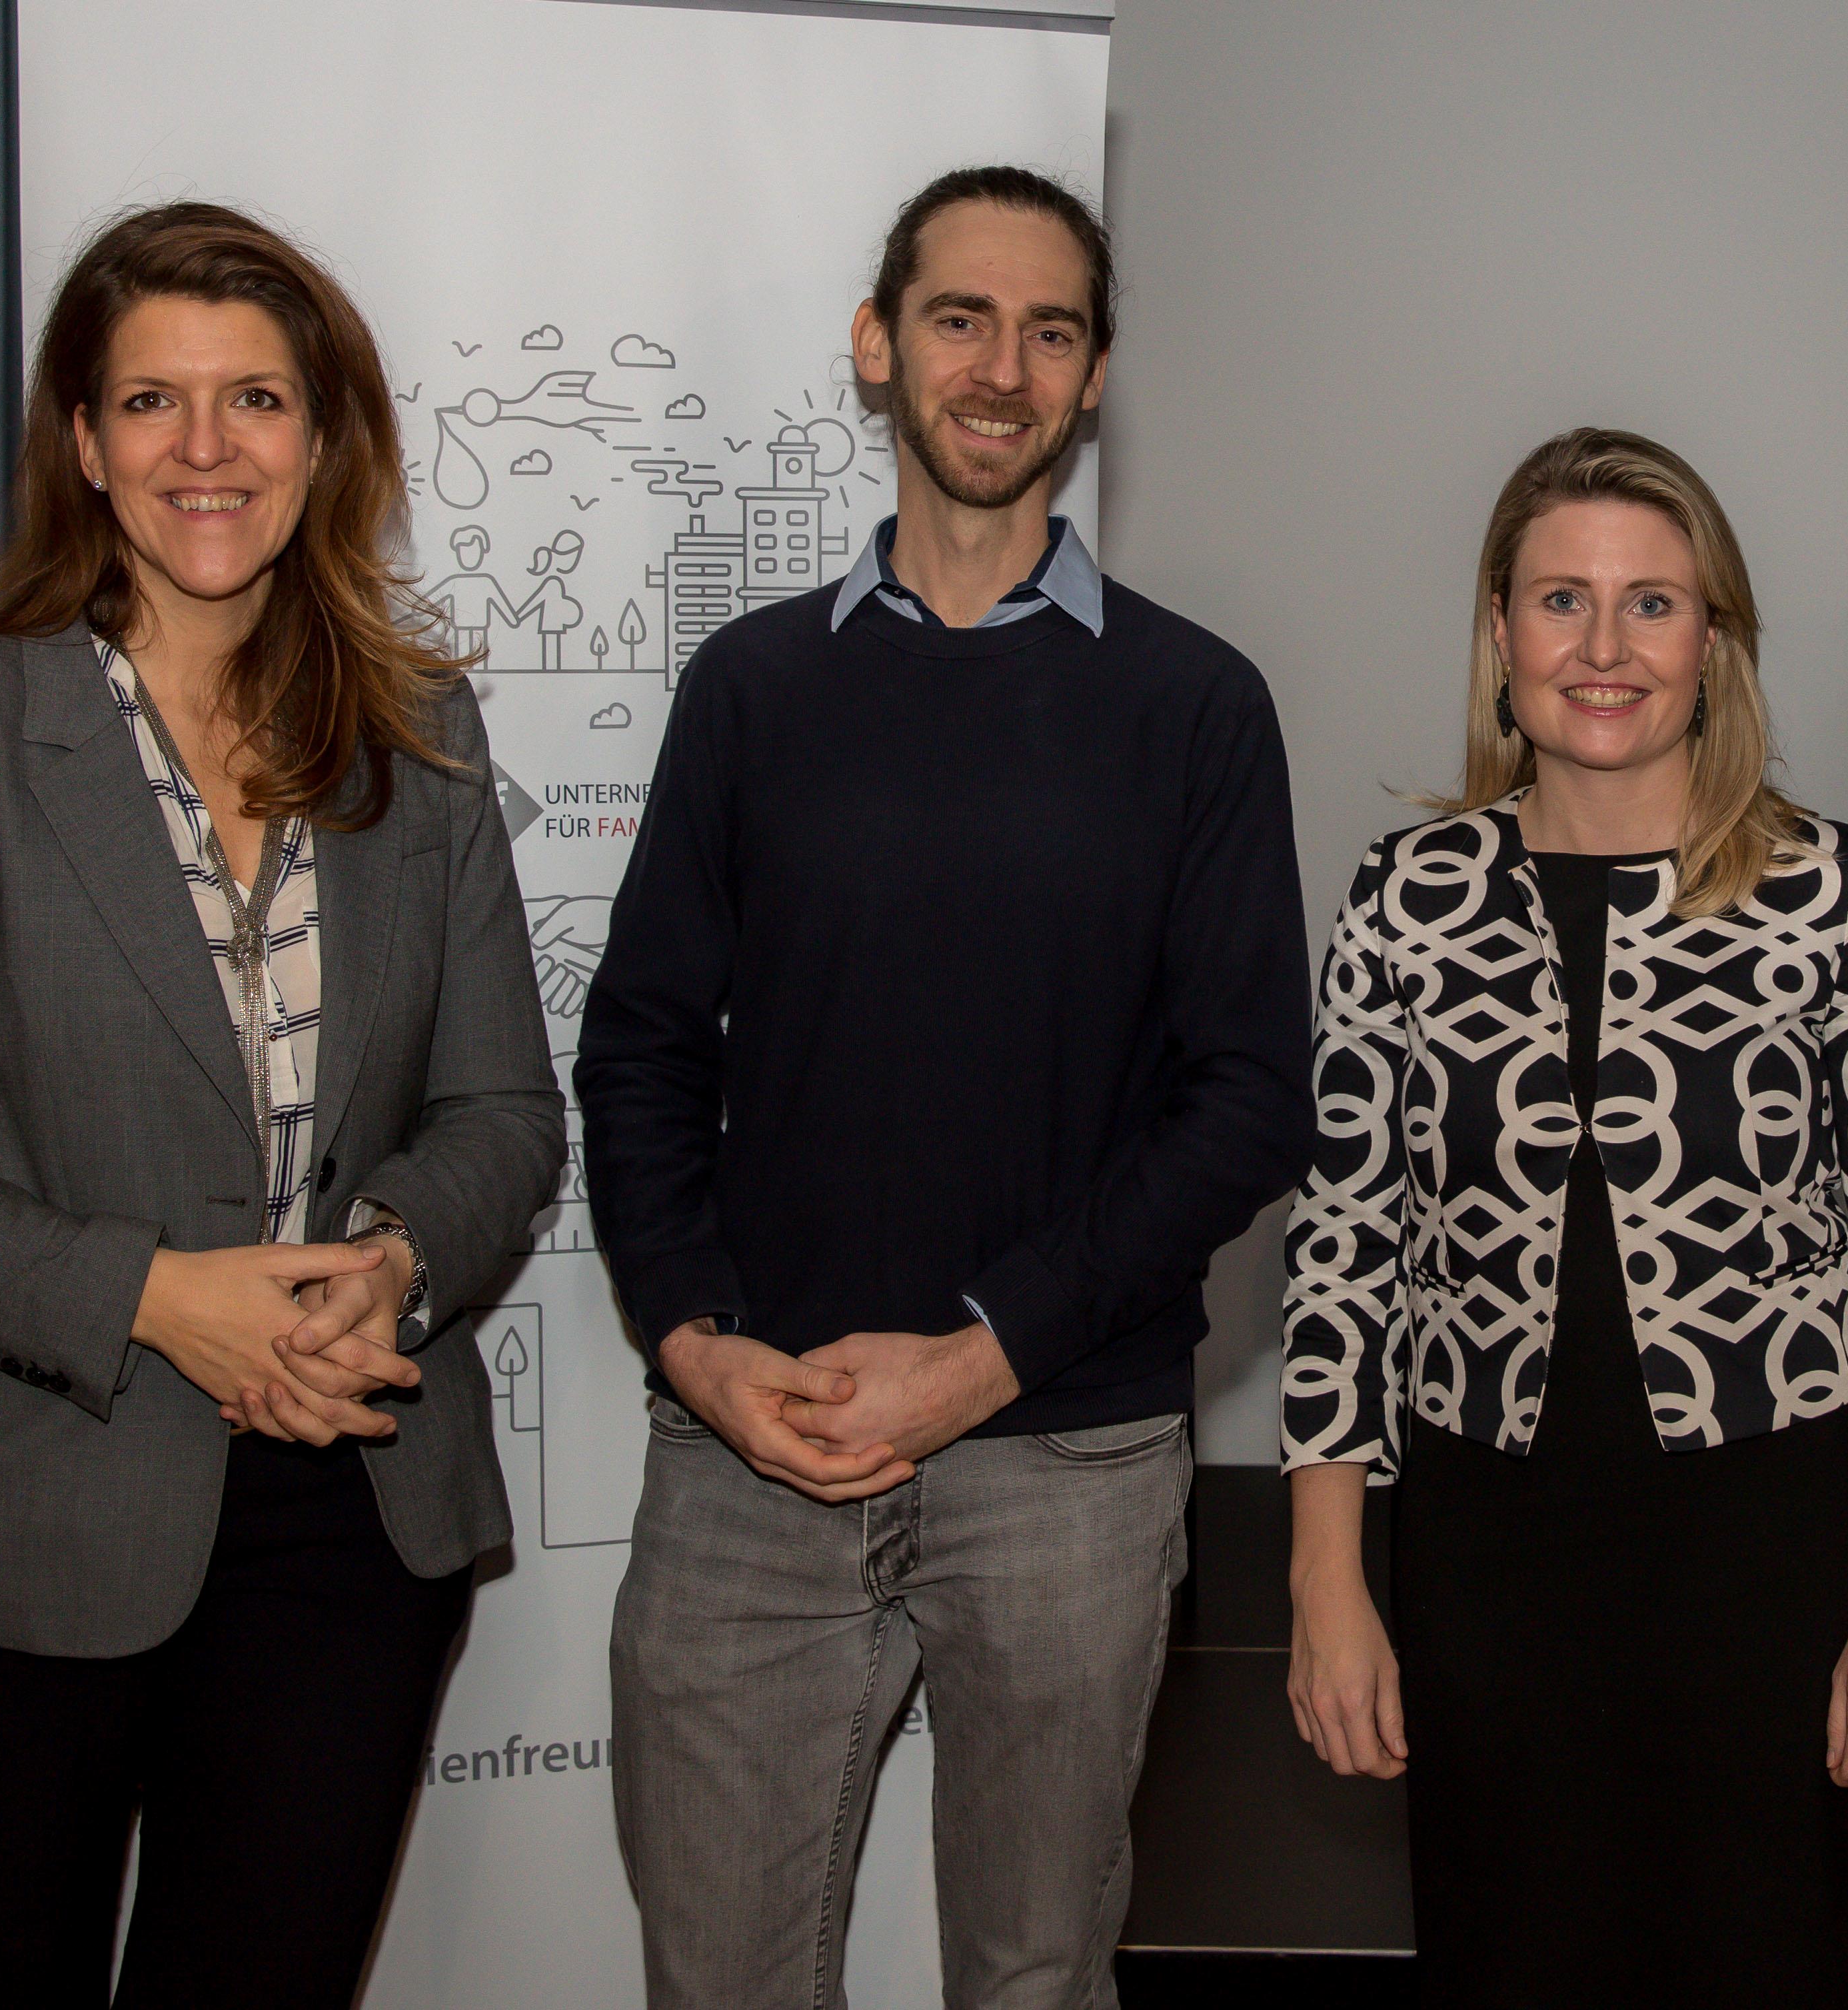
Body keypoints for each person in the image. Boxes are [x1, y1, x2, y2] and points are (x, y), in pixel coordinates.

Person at [0, 201, 562, 2006]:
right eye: (153, 404)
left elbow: (507, 1110)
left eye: (256, 400)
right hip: (4, 1529)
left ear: (324, 441)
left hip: (344, 1535)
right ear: (88, 448)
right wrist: (151, 1296)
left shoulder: (416, 738)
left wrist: (394, 1261)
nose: (208, 448)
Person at [576, 165, 1312, 2010]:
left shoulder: (1197, 705)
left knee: (1036, 1977)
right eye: (961, 318)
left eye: (1050, 330)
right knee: (723, 1980)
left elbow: (1246, 1098)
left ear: (1095, 377)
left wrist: (985, 1352)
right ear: (876, 346)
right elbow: (643, 1045)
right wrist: (696, 1342)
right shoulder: (751, 689)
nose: (1002, 366)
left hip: (1067, 1464)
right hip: (760, 1451)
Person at [1282, 426, 1848, 2009]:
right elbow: (1341, 1253)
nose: (1605, 649)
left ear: (1714, 641)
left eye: (1653, 603)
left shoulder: (1835, 896)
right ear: (1501, 636)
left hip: (1778, 1558)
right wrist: (1327, 1580)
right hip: (1489, 1559)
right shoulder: (1406, 896)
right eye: (1561, 601)